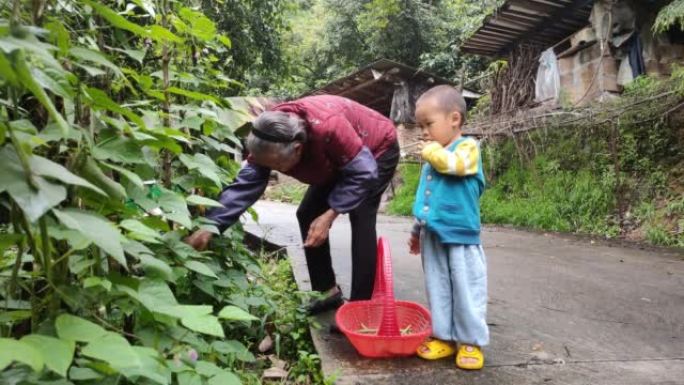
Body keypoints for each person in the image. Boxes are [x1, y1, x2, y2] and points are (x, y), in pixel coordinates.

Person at [186, 95, 399, 314]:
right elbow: (247, 183)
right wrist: (210, 226)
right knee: (307, 213)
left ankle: (361, 308)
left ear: (297, 148)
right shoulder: (269, 133)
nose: (275, 170)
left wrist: (330, 215)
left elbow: (363, 173)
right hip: (334, 158)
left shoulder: (328, 127)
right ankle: (326, 292)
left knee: (361, 215)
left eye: (278, 165)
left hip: (375, 151)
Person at [408, 85, 488, 370]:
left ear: (454, 119)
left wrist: (431, 152)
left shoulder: (467, 148)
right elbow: (426, 198)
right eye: (421, 126)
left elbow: (454, 166)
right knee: (438, 287)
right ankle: (444, 337)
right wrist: (417, 230)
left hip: (461, 235)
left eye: (429, 124)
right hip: (433, 235)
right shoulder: (434, 156)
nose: (424, 132)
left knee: (467, 288)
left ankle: (470, 340)